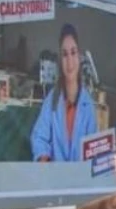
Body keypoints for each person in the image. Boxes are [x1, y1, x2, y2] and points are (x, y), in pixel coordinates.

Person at [31, 23, 100, 162]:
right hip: (55, 181)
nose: (69, 61)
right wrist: (44, 158)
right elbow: (39, 137)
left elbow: (94, 149)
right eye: (64, 54)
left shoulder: (88, 105)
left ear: (79, 57)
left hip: (80, 181)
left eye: (73, 52)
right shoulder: (52, 101)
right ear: (60, 60)